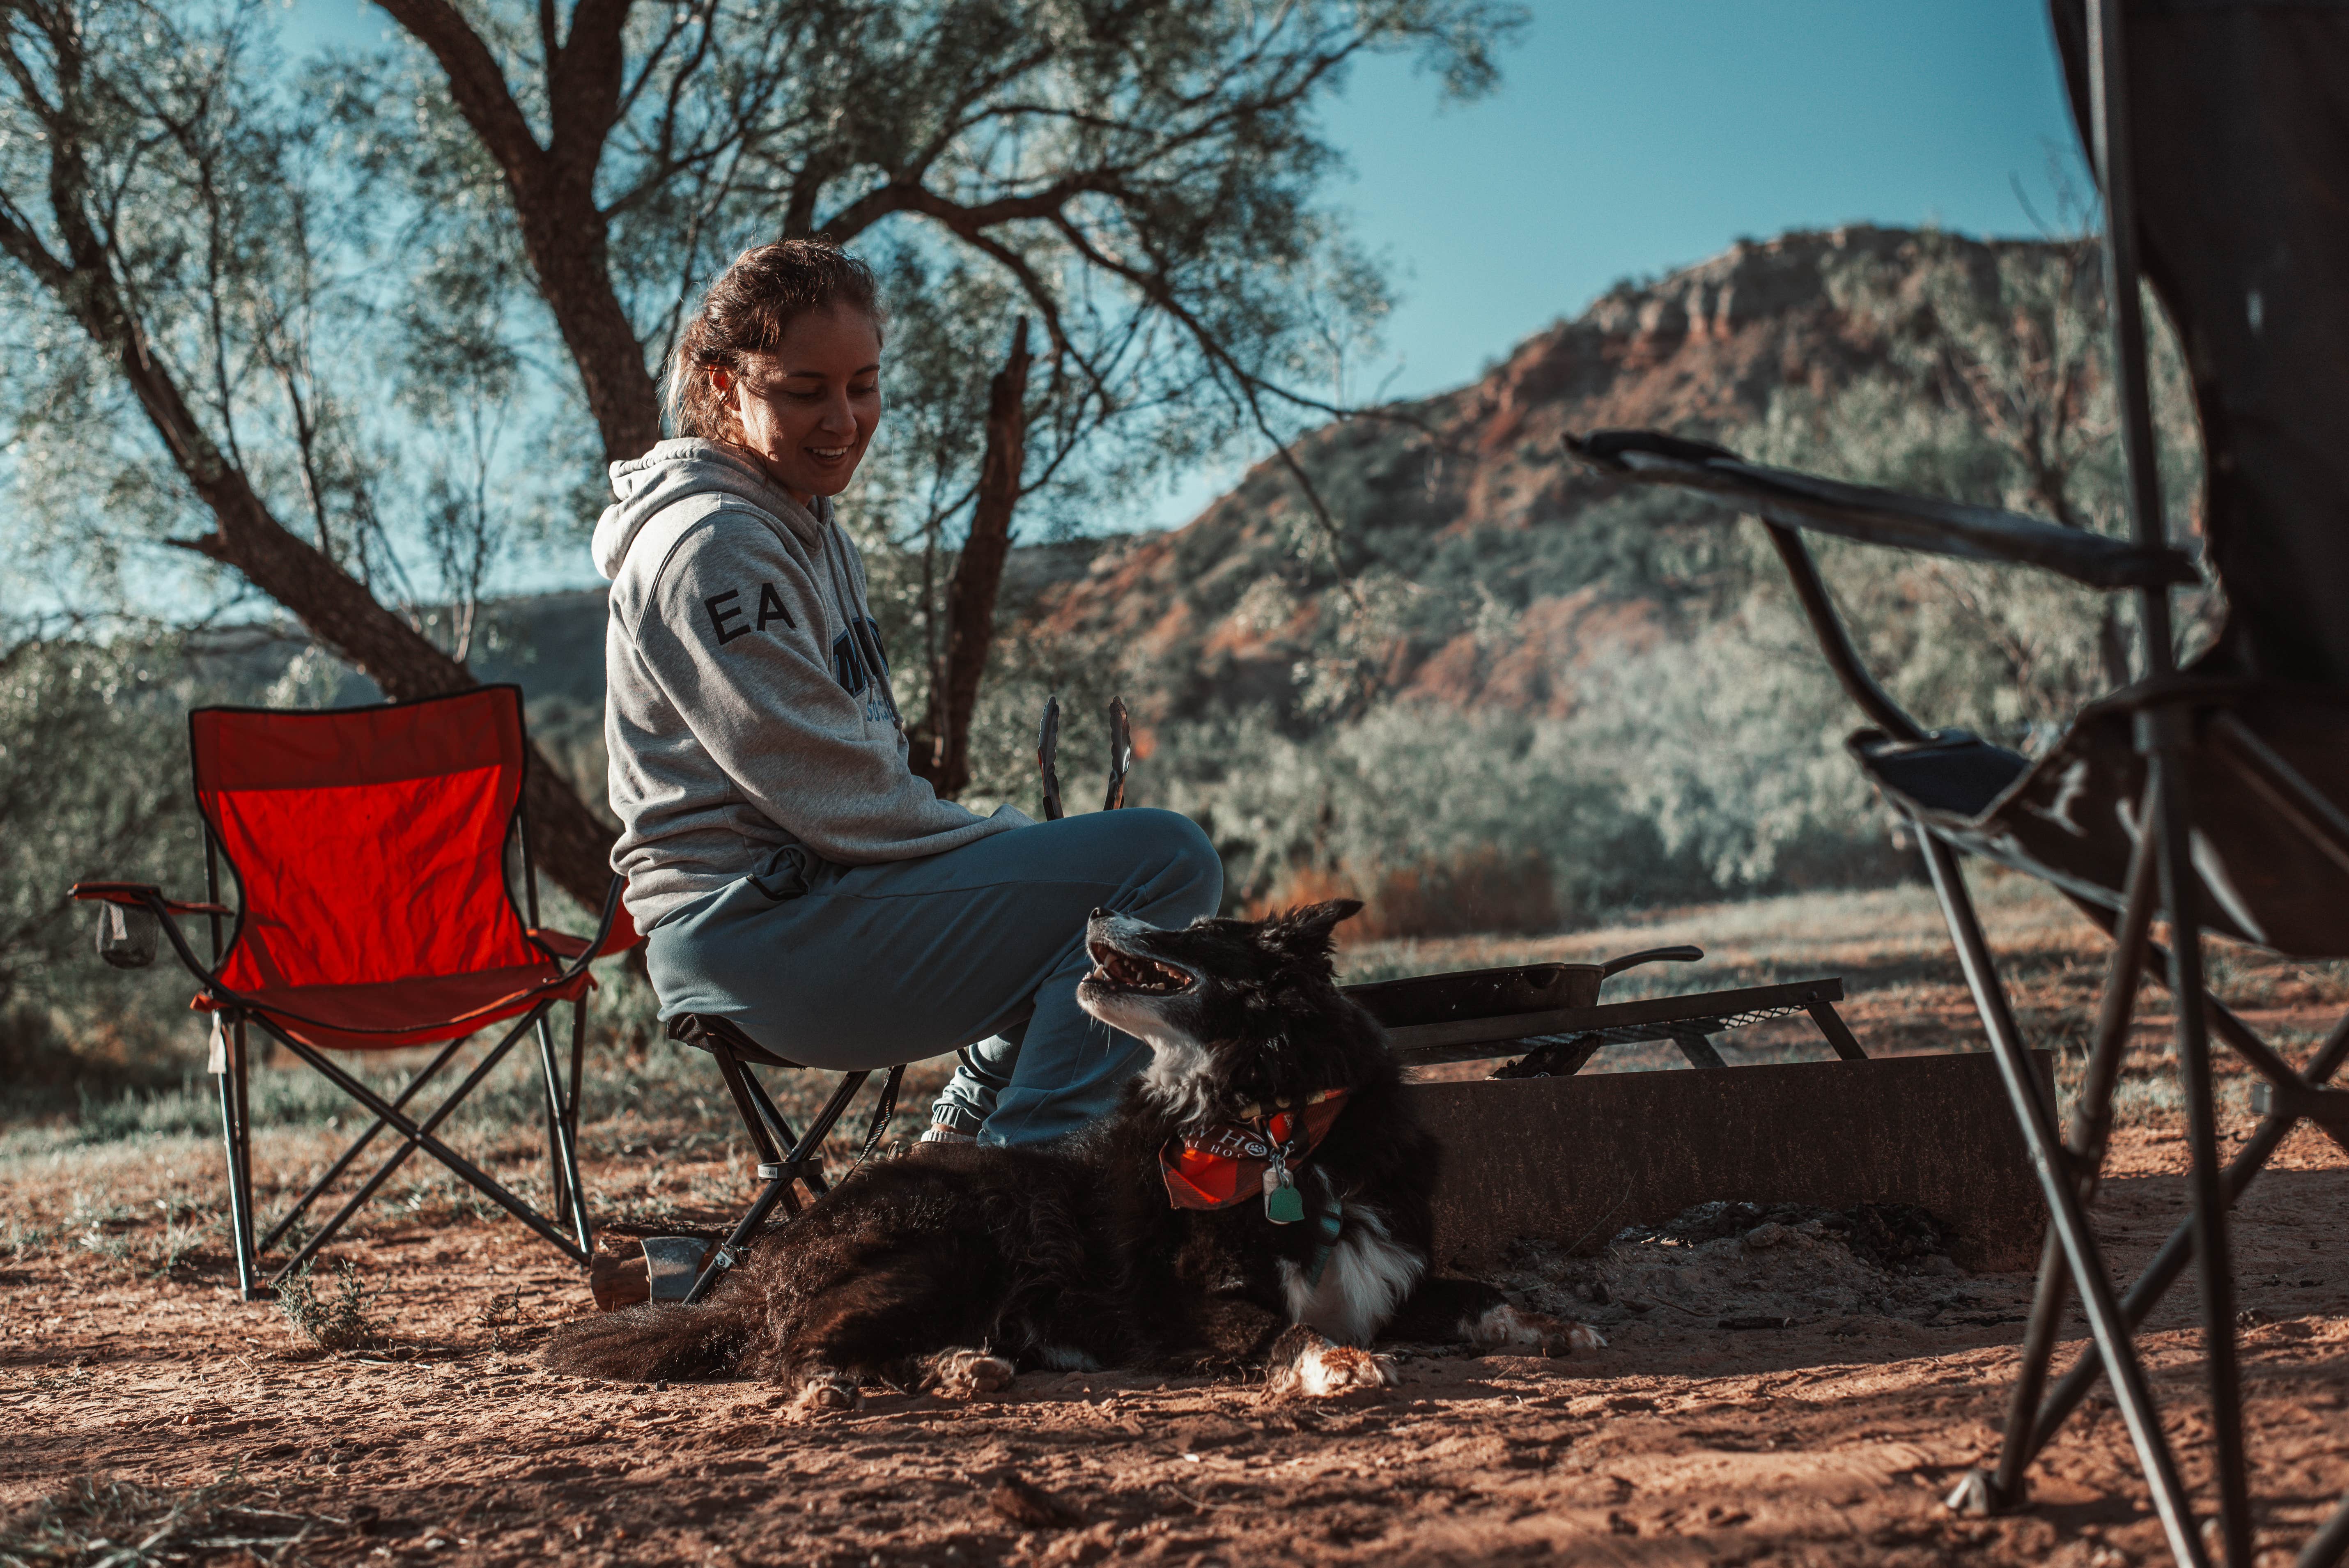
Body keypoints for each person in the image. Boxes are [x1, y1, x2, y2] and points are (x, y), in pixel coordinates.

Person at [594, 239, 1222, 1147]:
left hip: (800, 908)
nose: (842, 418)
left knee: (1081, 891)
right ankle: (1037, 1183)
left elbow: (858, 791)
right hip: (756, 932)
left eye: (863, 384)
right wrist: (1005, 838)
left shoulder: (803, 522)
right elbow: (833, 792)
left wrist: (1009, 851)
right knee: (1158, 860)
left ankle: (962, 1149)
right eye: (803, 390)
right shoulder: (715, 544)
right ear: (726, 385)